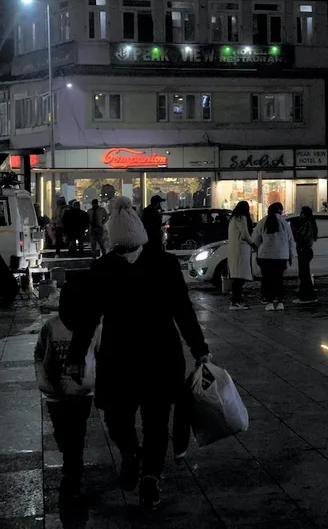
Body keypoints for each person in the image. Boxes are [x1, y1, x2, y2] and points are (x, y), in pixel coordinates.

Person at [62, 196, 210, 509]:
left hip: (158, 359)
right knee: (117, 421)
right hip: (120, 360)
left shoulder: (165, 263)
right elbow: (87, 319)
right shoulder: (101, 269)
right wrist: (75, 357)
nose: (125, 251)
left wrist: (199, 349)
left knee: (156, 424)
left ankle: (150, 479)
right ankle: (131, 454)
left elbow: (183, 311)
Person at [35, 279, 93, 505]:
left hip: (81, 393)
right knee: (62, 434)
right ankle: (71, 461)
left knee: (76, 434)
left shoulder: (93, 327)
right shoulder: (51, 326)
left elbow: (98, 354)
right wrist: (42, 378)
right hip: (55, 393)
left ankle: (73, 472)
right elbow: (40, 353)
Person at [252, 202, 296, 311]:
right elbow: (290, 240)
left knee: (267, 279)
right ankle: (280, 301)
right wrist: (291, 255)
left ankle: (270, 302)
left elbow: (255, 239)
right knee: (278, 279)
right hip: (281, 256)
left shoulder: (263, 222)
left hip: (265, 255)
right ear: (280, 211)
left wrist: (256, 249)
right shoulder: (284, 222)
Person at [226, 201, 255, 310]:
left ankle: (236, 299)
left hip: (236, 249)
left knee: (238, 276)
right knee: (240, 277)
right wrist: (253, 243)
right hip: (241, 250)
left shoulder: (233, 218)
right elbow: (245, 234)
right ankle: (235, 301)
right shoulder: (241, 218)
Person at [293, 206, 318, 304]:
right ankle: (307, 295)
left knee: (304, 275)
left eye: (302, 213)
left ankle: (306, 296)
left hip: (305, 250)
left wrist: (296, 231)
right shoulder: (308, 224)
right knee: (304, 274)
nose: (301, 215)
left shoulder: (307, 224)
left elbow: (302, 236)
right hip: (304, 250)